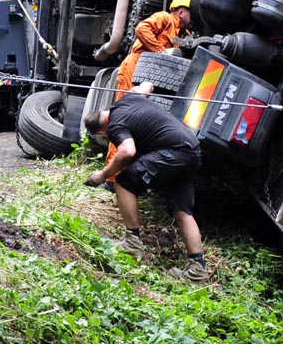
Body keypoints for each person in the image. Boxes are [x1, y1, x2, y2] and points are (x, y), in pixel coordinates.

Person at [83, 82, 208, 282]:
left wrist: (103, 174)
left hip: (172, 152)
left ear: (101, 132)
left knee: (122, 182)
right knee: (181, 210)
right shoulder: (127, 99)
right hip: (192, 151)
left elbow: (127, 151)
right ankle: (197, 271)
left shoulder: (115, 126)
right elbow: (147, 86)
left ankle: (132, 243)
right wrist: (141, 88)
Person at [103, 0, 193, 186]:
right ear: (181, 12)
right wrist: (160, 50)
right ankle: (111, 178)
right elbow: (141, 28)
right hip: (135, 67)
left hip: (150, 77)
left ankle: (127, 172)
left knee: (139, 122)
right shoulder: (165, 18)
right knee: (124, 119)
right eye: (191, 13)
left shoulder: (184, 35)